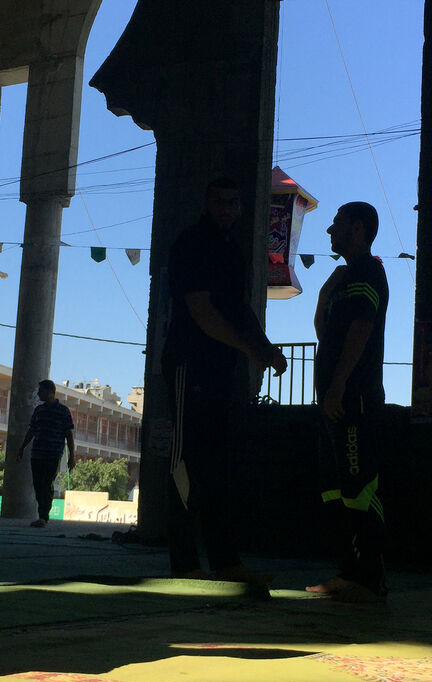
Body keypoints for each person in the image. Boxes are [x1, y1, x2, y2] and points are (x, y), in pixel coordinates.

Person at [161, 177, 287, 586]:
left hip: (220, 368)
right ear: (206, 203)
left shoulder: (233, 252)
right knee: (185, 461)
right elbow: (202, 310)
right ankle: (183, 560)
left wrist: (264, 346)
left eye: (234, 202)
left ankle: (225, 559)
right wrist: (250, 350)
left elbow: (239, 309)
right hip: (189, 363)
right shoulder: (192, 243)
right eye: (221, 201)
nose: (228, 209)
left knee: (217, 465)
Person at [306, 202, 391, 604]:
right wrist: (324, 293)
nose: (329, 230)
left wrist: (339, 385)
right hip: (333, 400)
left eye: (337, 223)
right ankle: (346, 572)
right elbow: (325, 332)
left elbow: (361, 328)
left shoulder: (368, 271)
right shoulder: (343, 279)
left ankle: (370, 578)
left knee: (359, 487)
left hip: (354, 399)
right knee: (334, 490)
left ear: (358, 228)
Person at [16, 380, 76, 527]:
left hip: (53, 455)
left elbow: (69, 435)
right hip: (37, 454)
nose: (38, 393)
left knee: (47, 484)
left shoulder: (63, 411)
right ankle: (42, 515)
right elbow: (32, 431)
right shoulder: (38, 410)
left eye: (41, 391)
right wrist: (22, 447)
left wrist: (72, 456)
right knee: (38, 484)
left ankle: (43, 516)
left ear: (50, 392)